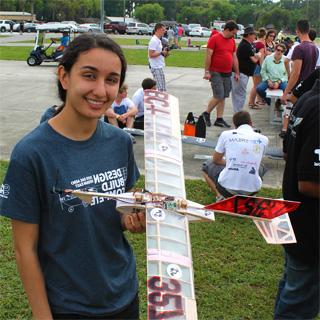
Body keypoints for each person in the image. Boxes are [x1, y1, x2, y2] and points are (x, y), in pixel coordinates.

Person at [0, 33, 145, 319]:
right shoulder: (31, 154)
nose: (101, 90)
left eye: (112, 80)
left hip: (124, 294)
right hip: (69, 307)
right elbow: (24, 249)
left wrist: (131, 220)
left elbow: (115, 211)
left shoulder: (120, 142)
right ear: (64, 77)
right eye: (89, 75)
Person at [274, 80, 319, 320]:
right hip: (311, 230)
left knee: (291, 289)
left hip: (297, 221)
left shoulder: (307, 97)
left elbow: (288, 152)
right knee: (299, 305)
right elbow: (310, 183)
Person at [202, 111, 268, 201]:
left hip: (227, 189)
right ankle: (250, 194)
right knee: (261, 167)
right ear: (251, 123)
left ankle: (220, 196)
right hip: (252, 190)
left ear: (235, 125)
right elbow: (257, 160)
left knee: (206, 165)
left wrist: (232, 163)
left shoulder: (226, 134)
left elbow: (216, 160)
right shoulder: (264, 139)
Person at [202, 20, 240, 128]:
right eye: (233, 33)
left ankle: (219, 119)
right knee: (218, 95)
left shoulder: (232, 41)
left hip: (227, 72)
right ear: (227, 30)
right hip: (215, 71)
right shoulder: (215, 39)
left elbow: (234, 57)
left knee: (223, 96)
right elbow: (208, 55)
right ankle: (206, 113)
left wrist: (237, 72)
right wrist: (207, 71)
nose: (234, 35)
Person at [281, 19, 318, 105]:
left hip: (299, 88)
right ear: (308, 30)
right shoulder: (315, 48)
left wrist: (285, 93)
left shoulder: (299, 48)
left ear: (297, 31)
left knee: (295, 114)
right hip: (310, 86)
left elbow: (296, 73)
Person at [231, 26, 261, 112]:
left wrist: (256, 55)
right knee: (240, 95)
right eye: (253, 35)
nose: (255, 37)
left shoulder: (247, 44)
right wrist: (259, 55)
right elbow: (254, 60)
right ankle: (238, 114)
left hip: (243, 74)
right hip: (241, 74)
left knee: (238, 94)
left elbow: (251, 56)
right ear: (248, 35)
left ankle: (238, 112)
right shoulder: (245, 45)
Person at [248, 27, 267, 108]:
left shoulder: (254, 42)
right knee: (256, 86)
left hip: (252, 66)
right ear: (265, 35)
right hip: (258, 66)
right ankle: (251, 102)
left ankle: (253, 102)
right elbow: (261, 58)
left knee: (255, 85)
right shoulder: (261, 44)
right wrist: (263, 68)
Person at [148, 23, 169, 92]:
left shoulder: (158, 40)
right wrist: (161, 52)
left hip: (159, 66)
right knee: (159, 89)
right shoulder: (153, 40)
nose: (164, 31)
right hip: (155, 67)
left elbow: (158, 53)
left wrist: (165, 53)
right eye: (163, 30)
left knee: (162, 88)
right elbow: (151, 54)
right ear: (157, 30)